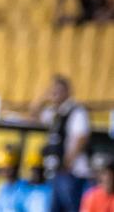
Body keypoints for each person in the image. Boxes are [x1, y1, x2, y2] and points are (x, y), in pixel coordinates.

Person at [30, 75, 92, 212]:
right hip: (57, 172)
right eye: (52, 91)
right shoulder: (55, 113)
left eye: (57, 91)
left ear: (67, 91)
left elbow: (82, 138)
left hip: (72, 173)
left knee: (71, 207)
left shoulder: (76, 111)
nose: (54, 94)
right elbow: (33, 115)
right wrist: (43, 97)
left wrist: (67, 162)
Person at [0, 144, 27, 212]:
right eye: (3, 169)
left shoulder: (25, 187)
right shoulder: (2, 189)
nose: (5, 171)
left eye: (8, 168)